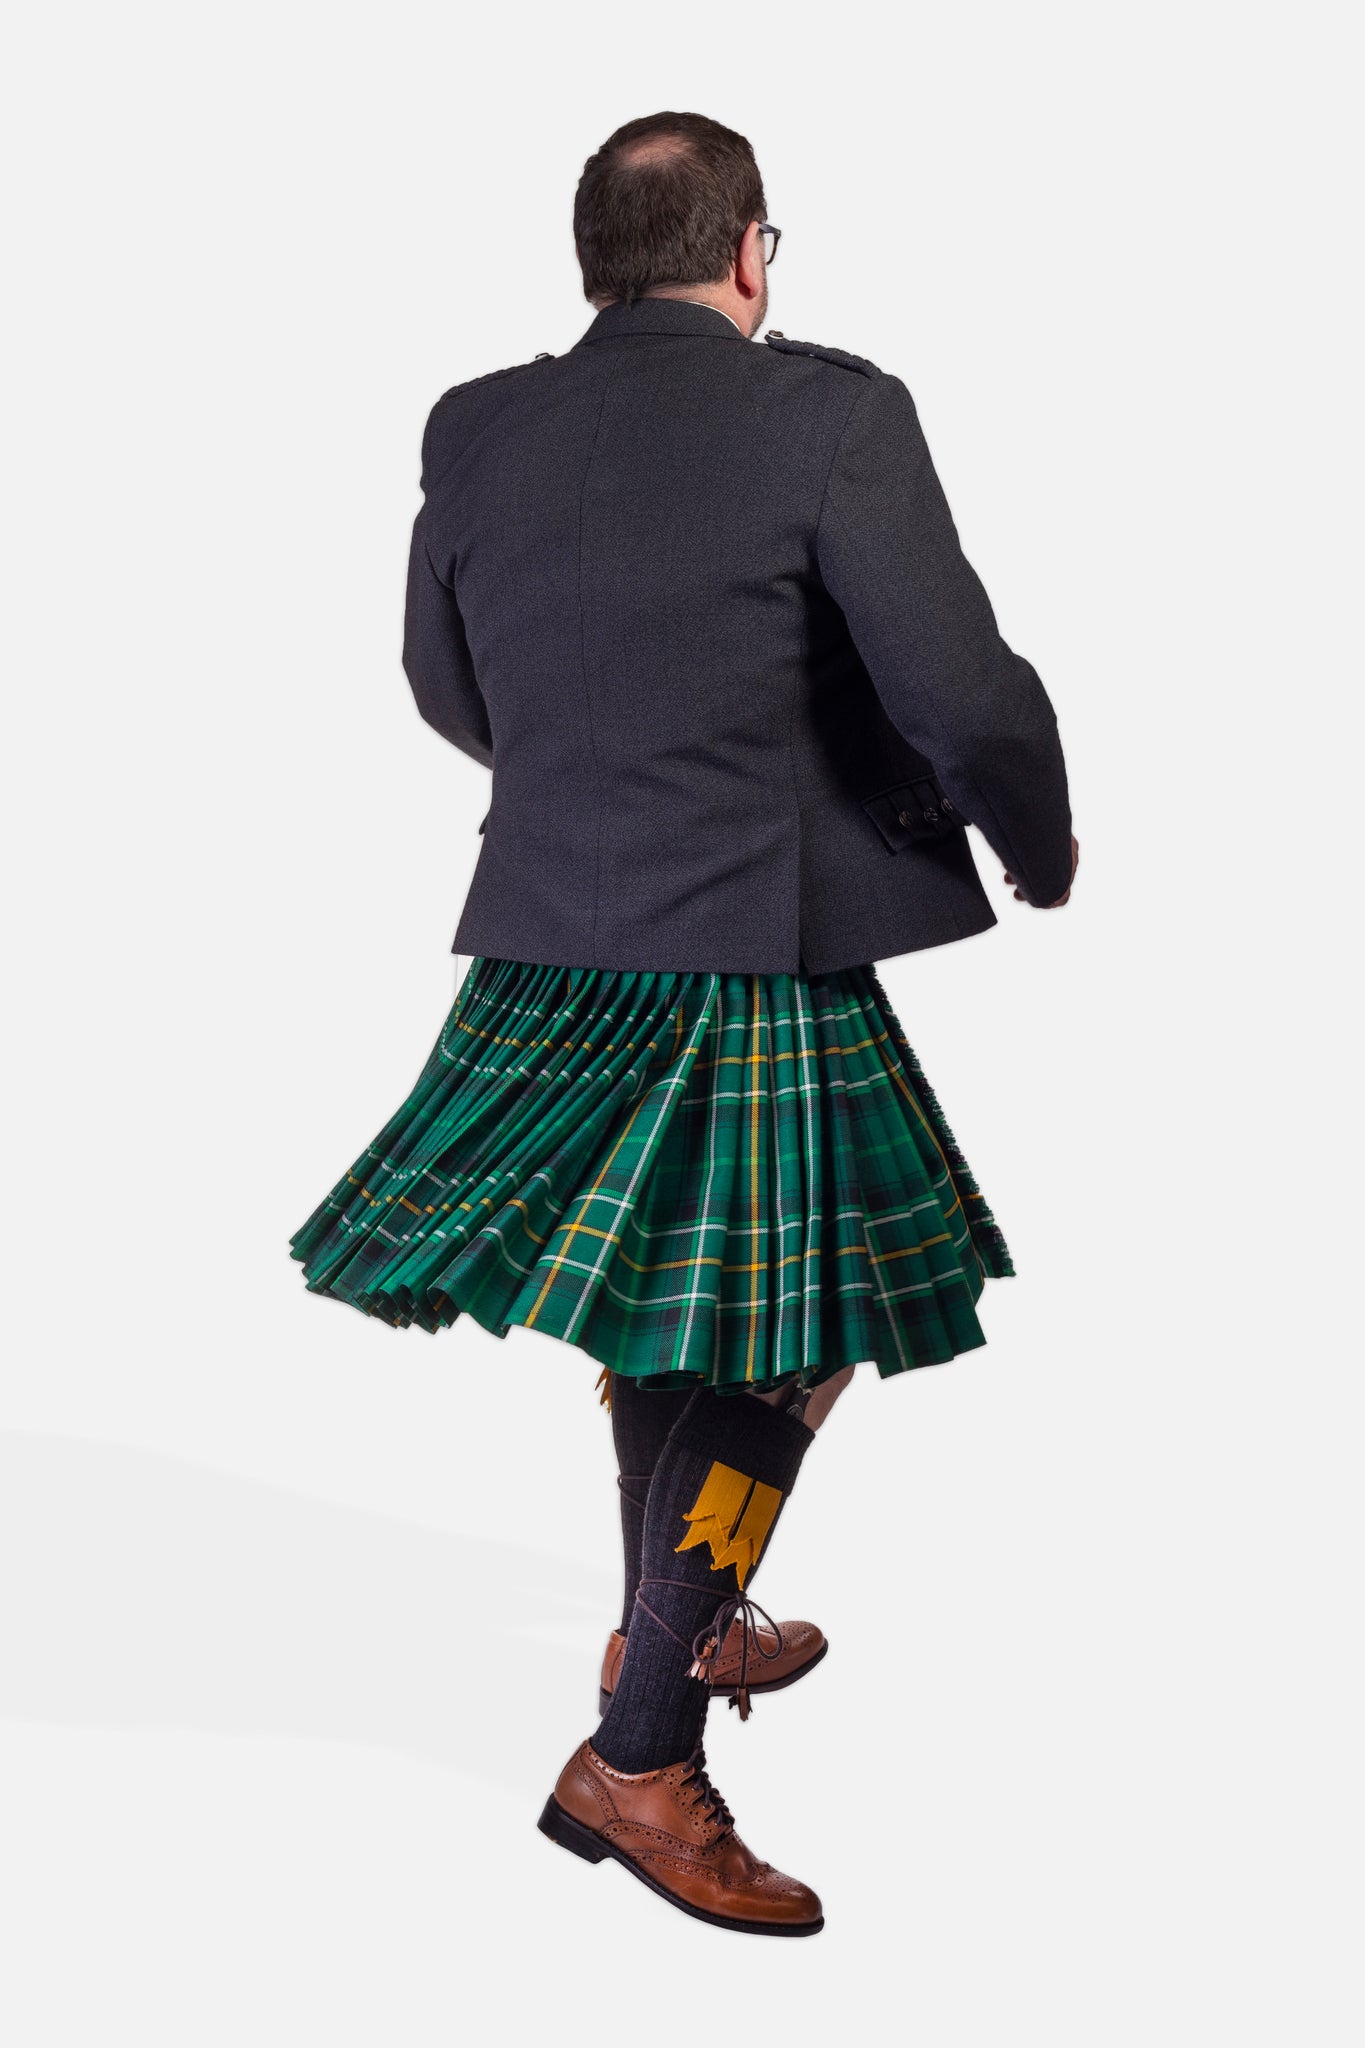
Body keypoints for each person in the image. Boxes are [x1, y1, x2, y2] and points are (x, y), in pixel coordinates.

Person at [290, 109, 1078, 1937]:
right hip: (747, 943)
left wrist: (597, 785)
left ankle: (684, 1619)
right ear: (747, 252)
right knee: (788, 1341)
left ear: (596, 263)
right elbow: (959, 690)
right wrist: (1033, 845)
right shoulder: (831, 412)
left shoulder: (478, 423)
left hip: (551, 942)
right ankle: (639, 1754)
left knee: (675, 1309)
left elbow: (444, 684)